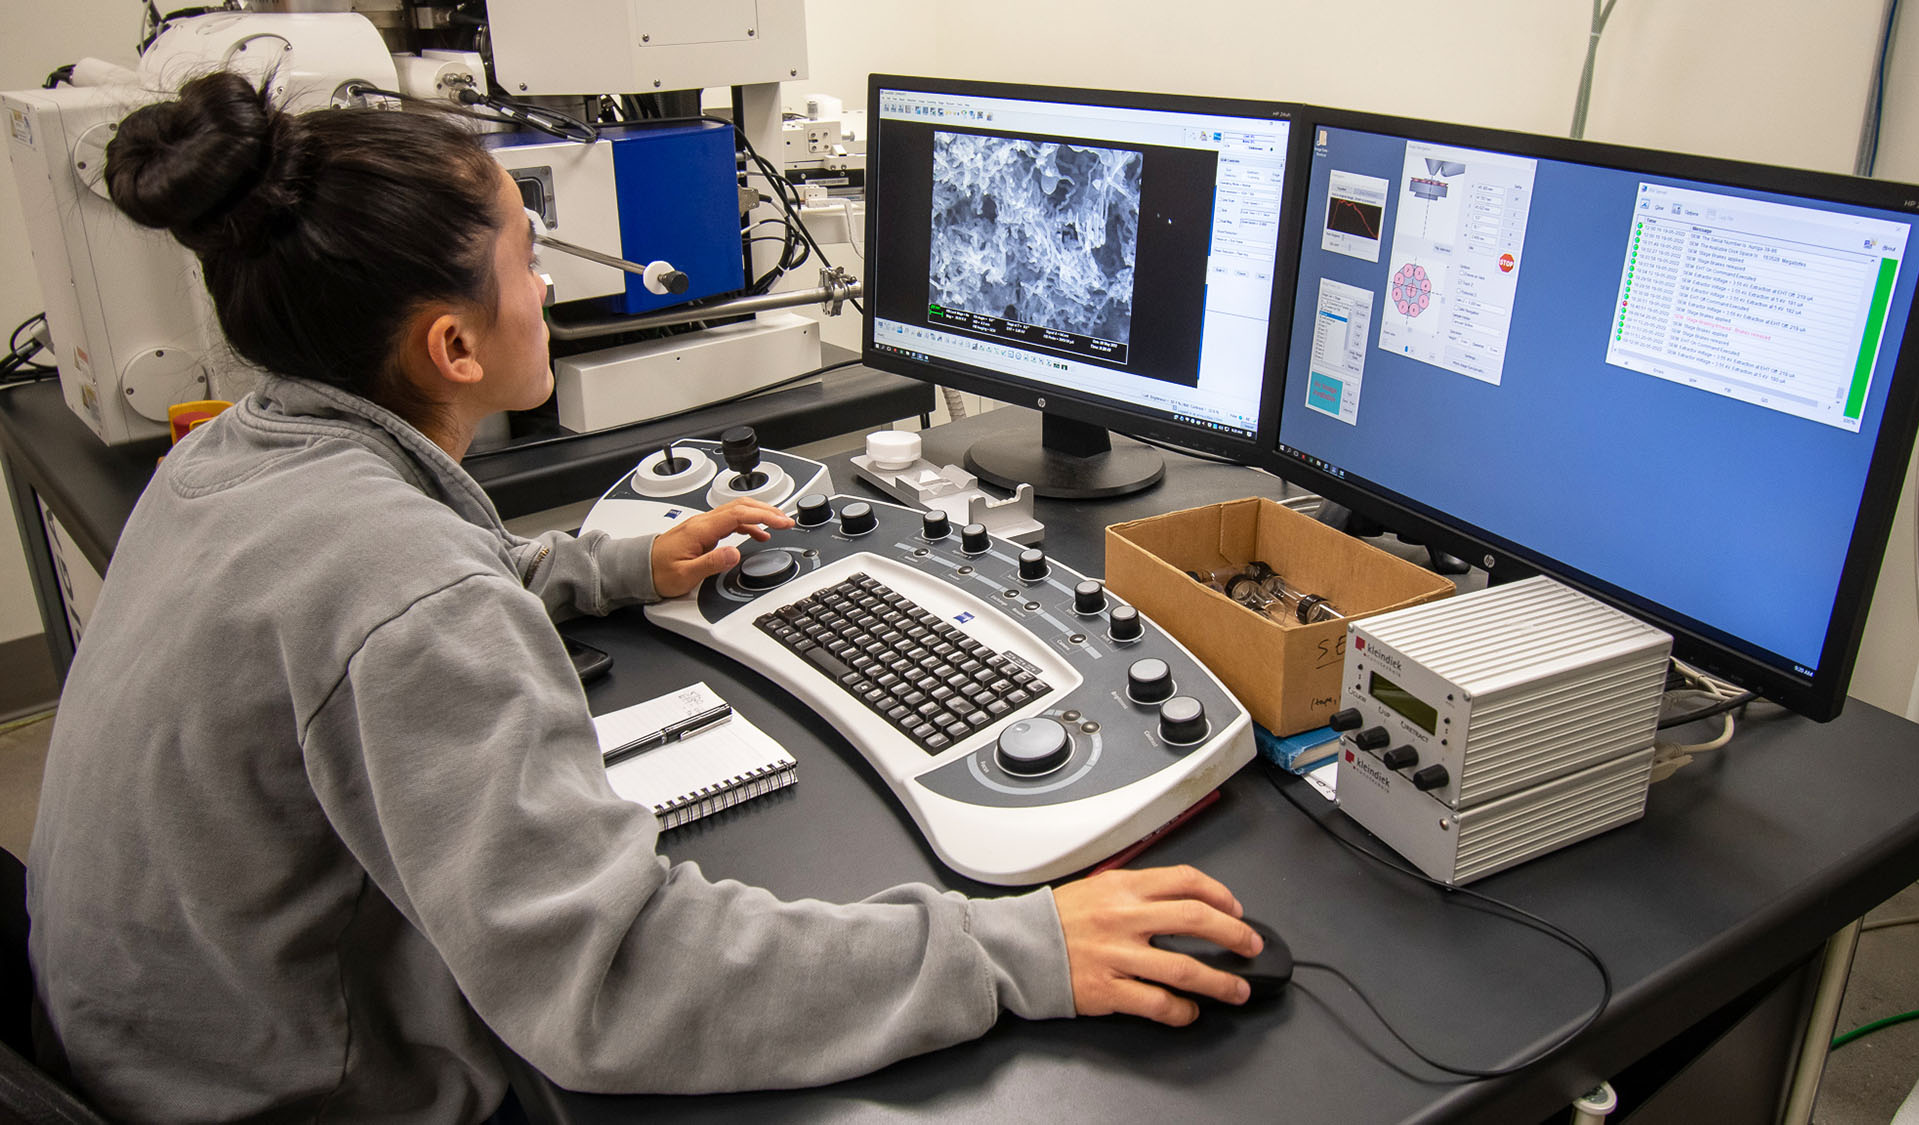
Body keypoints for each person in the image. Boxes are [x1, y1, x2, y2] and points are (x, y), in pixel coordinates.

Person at [25, 72, 1264, 1122]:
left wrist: (607, 566)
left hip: (147, 1044)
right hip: (292, 1097)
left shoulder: (228, 457)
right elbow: (614, 988)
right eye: (527, 257)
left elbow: (381, 604)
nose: (553, 289)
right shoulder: (401, 599)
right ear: (452, 351)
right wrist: (1014, 950)